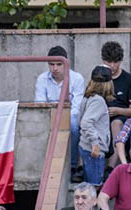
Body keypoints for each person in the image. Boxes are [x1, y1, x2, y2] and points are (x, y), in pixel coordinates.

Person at [35, 45, 84, 179]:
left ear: (66, 63)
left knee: (74, 126)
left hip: (69, 116)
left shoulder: (77, 78)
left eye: (58, 64)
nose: (55, 68)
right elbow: (40, 105)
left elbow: (76, 108)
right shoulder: (42, 79)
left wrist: (62, 118)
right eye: (51, 64)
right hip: (49, 117)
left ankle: (73, 166)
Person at [101, 41, 131, 156]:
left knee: (116, 124)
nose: (112, 66)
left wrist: (117, 111)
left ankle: (112, 167)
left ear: (120, 61)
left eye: (115, 62)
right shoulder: (99, 77)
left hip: (122, 117)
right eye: (109, 62)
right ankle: (81, 167)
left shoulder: (129, 80)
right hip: (100, 116)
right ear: (103, 60)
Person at [80, 65, 113, 186]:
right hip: (93, 151)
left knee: (90, 186)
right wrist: (95, 143)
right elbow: (85, 122)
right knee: (94, 187)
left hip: (87, 148)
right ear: (108, 83)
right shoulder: (98, 101)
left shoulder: (88, 96)